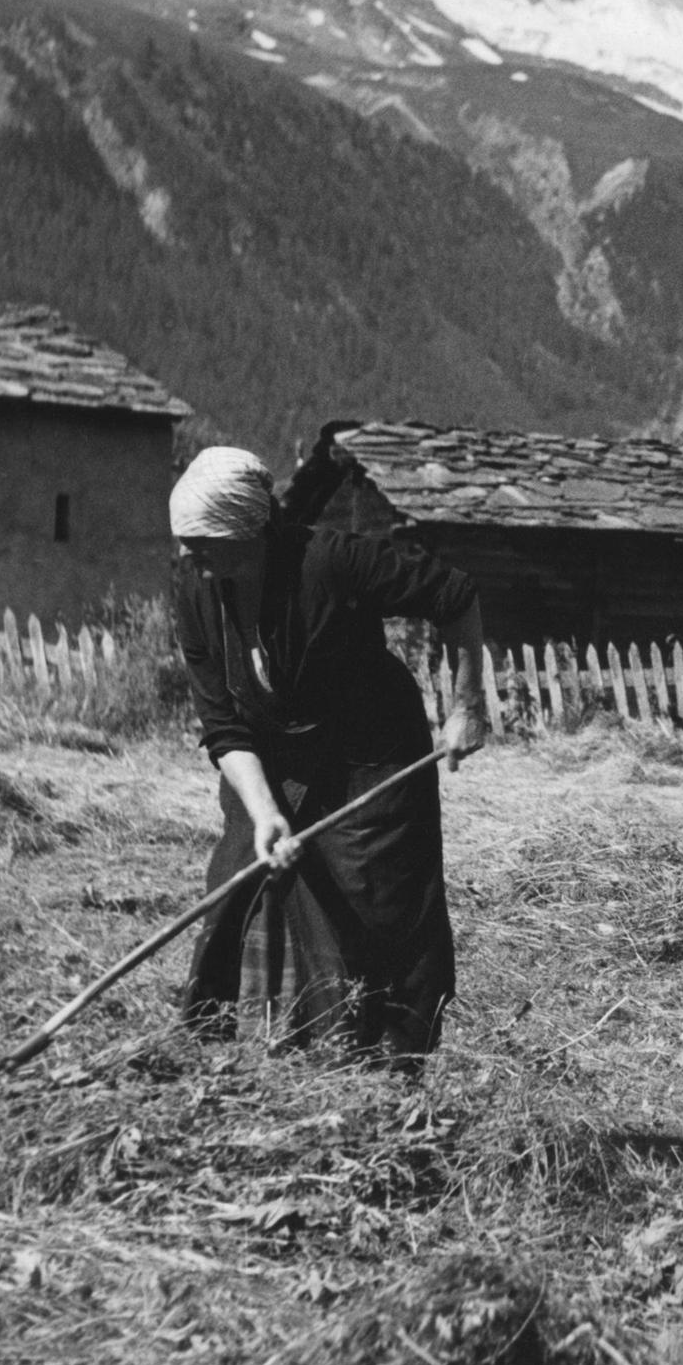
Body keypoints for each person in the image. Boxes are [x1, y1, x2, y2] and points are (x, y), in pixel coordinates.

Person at [170, 445, 488, 1058]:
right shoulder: (195, 589)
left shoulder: (333, 561)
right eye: (183, 542)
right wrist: (265, 813)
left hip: (370, 750)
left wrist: (467, 705)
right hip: (271, 755)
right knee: (242, 879)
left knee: (372, 895)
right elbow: (223, 726)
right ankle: (248, 1049)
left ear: (253, 535)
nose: (188, 557)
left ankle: (378, 1056)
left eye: (202, 543)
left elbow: (455, 595)